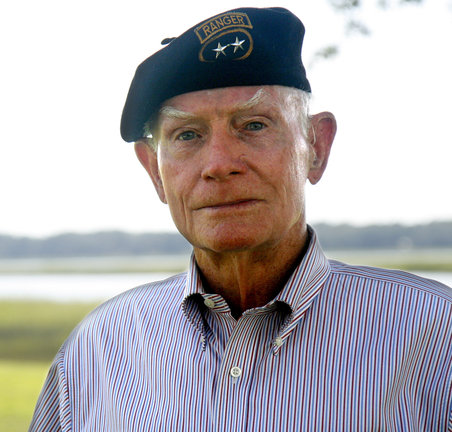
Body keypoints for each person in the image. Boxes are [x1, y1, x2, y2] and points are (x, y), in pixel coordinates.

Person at [29, 7, 452, 431]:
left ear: (316, 147)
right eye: (187, 135)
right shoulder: (97, 350)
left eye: (253, 125)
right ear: (154, 171)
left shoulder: (436, 333)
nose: (219, 164)